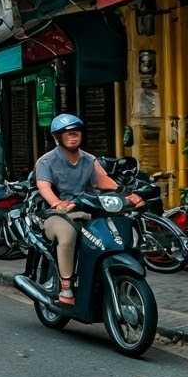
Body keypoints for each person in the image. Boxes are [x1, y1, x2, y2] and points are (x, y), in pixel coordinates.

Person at [35, 114, 142, 305]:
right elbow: (44, 187)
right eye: (67, 134)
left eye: (76, 133)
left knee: (113, 228)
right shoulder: (47, 161)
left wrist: (128, 194)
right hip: (57, 214)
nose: (73, 137)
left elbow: (103, 180)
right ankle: (66, 287)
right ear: (57, 138)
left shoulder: (89, 159)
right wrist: (57, 202)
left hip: (87, 208)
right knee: (68, 235)